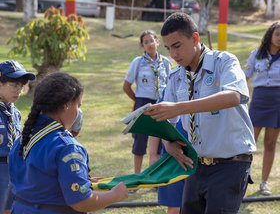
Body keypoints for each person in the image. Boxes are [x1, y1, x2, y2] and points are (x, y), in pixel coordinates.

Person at [145, 12, 256, 214]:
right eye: (168, 48)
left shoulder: (224, 62)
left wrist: (179, 107)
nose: (173, 54)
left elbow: (233, 97)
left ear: (195, 38)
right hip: (196, 165)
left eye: (177, 46)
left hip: (230, 164)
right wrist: (167, 143)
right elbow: (166, 122)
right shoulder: (176, 75)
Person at [8, 72, 128, 214]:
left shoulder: (24, 137)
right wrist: (115, 195)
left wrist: (80, 180)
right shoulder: (67, 147)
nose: (78, 112)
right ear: (67, 105)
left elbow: (38, 182)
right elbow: (81, 202)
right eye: (78, 105)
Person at [123, 30, 171, 174]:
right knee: (140, 141)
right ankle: (137, 176)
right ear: (142, 46)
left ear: (157, 42)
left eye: (152, 40)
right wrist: (138, 100)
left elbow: (171, 84)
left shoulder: (166, 62)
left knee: (158, 143)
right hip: (143, 104)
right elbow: (126, 86)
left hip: (160, 104)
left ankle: (155, 178)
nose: (150, 44)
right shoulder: (138, 62)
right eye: (146, 42)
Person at [243, 22, 280, 196]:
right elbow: (245, 77)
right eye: (278, 34)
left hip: (277, 101)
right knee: (250, 141)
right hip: (259, 100)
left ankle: (264, 182)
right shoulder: (256, 54)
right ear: (270, 35)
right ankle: (244, 176)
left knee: (271, 143)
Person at [0, 60, 35, 214]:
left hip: (15, 170)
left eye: (21, 87)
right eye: (14, 86)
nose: (18, 91)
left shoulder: (15, 113)